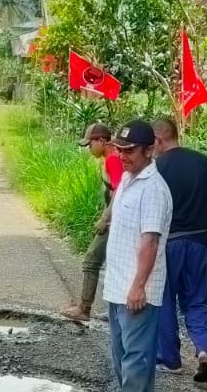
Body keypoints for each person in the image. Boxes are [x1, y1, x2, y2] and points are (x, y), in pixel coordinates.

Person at [102, 120, 172, 392]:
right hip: (118, 282)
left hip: (137, 285)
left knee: (136, 352)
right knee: (121, 349)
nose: (123, 156)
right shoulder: (130, 180)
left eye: (129, 151)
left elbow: (150, 241)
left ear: (149, 149)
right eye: (119, 149)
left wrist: (138, 285)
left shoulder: (154, 189)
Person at [152, 118, 207, 383]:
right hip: (198, 241)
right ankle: (204, 350)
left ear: (159, 140)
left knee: (165, 300)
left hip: (167, 244)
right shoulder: (204, 163)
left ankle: (170, 359)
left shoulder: (156, 168)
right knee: (196, 300)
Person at [61, 123, 124, 322]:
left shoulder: (113, 159)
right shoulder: (112, 157)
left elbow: (118, 192)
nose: (89, 149)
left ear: (102, 141)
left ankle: (84, 307)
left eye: (91, 144)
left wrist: (105, 219)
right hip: (117, 217)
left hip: (115, 219)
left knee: (91, 260)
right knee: (115, 263)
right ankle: (115, 309)